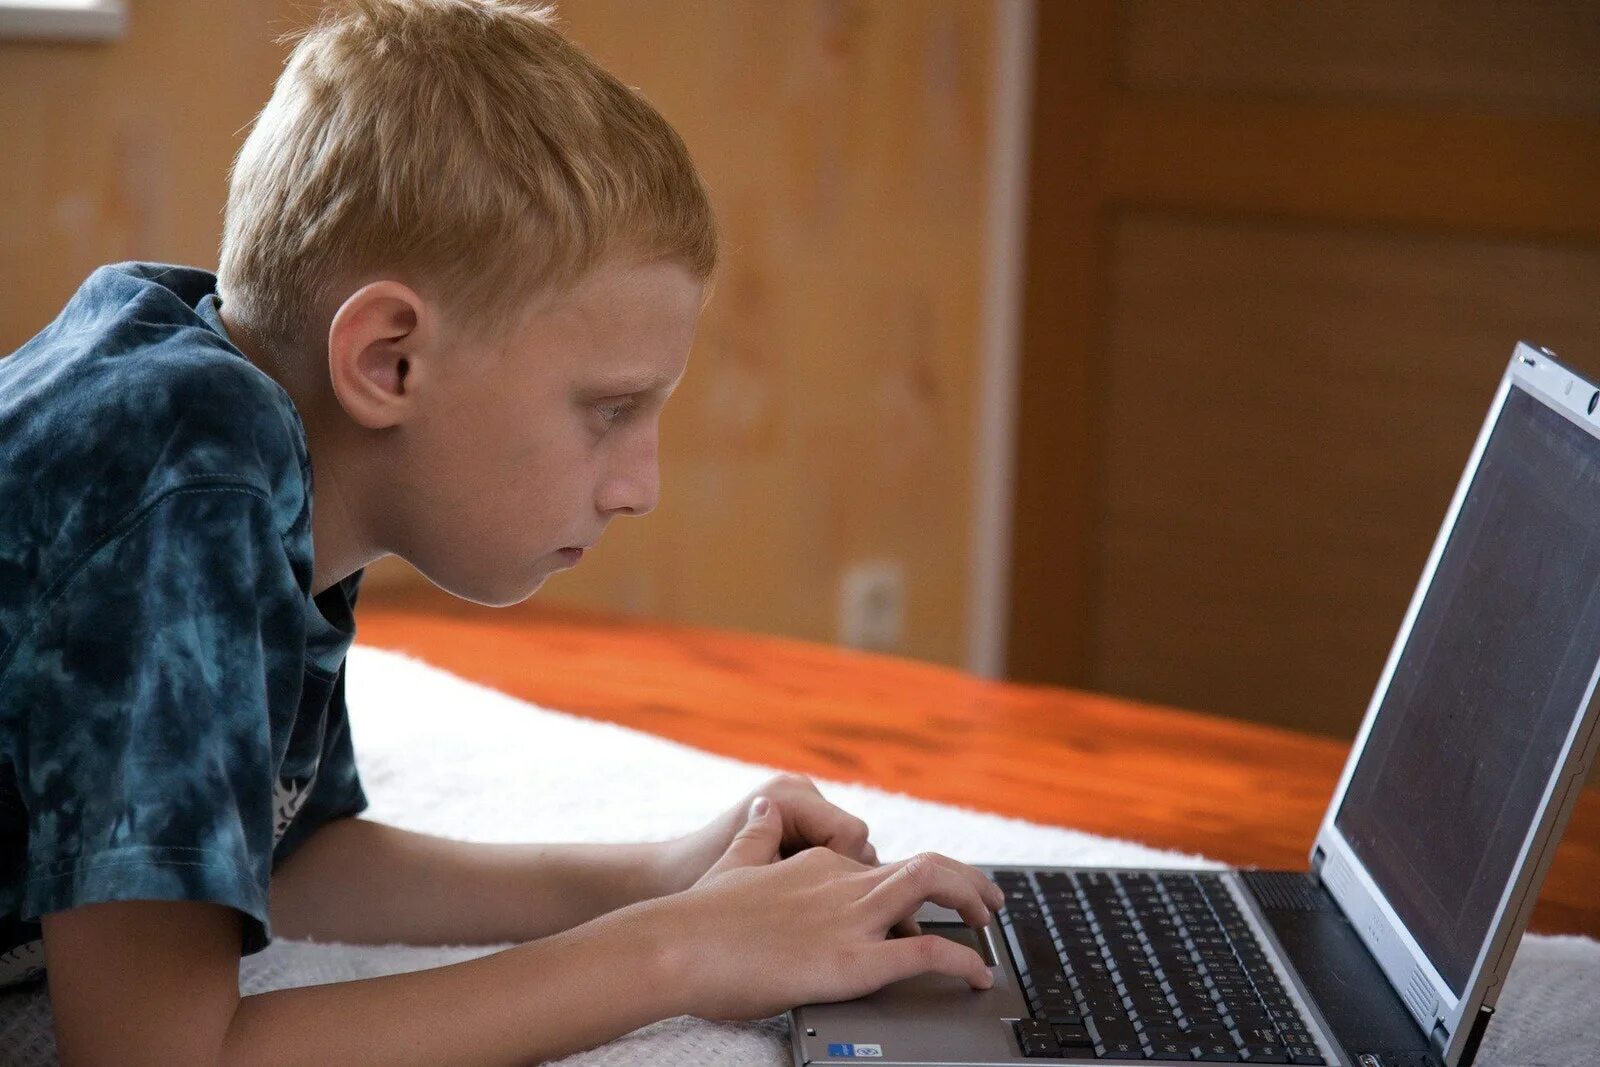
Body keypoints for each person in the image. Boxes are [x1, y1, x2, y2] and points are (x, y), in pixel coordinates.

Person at [0, 1, 1002, 1062]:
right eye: (608, 410)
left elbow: (293, 854)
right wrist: (678, 951)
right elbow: (159, 1053)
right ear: (389, 361)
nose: (640, 484)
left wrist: (659, 874)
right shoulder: (184, 480)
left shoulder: (259, 422)